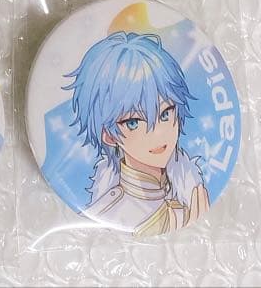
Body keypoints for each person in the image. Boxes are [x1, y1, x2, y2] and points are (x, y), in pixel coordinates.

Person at [64, 31, 208, 236]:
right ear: (109, 135)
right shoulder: (107, 215)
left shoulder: (191, 198)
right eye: (133, 123)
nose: (157, 132)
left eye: (166, 113)